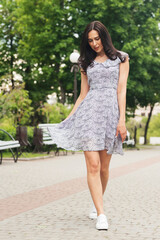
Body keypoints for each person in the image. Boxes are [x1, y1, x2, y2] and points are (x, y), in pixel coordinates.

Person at [48, 20, 129, 231]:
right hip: (89, 115)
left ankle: (96, 203)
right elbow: (83, 95)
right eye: (90, 40)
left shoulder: (121, 58)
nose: (94, 43)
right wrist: (70, 117)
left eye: (97, 38)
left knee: (104, 168)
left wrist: (122, 121)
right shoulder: (86, 63)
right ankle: (102, 214)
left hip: (110, 116)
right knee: (93, 166)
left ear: (104, 36)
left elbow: (121, 90)